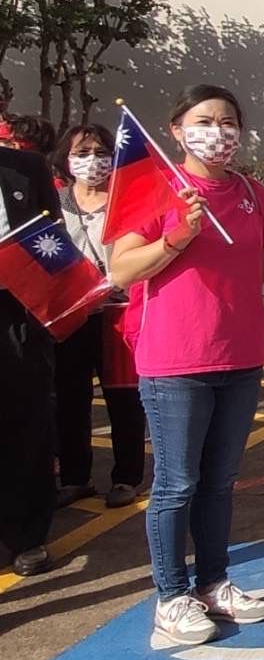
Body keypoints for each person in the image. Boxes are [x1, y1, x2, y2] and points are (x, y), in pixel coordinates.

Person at [109, 84, 264, 647]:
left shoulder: (250, 192)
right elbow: (122, 270)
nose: (217, 132)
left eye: (228, 122)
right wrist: (175, 238)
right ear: (176, 130)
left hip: (241, 355)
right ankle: (171, 597)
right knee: (177, 484)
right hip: (175, 360)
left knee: (219, 481)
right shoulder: (155, 189)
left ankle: (213, 583)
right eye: (204, 121)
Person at [51, 124, 145, 512]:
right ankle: (76, 478)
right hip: (71, 315)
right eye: (82, 152)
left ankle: (127, 477)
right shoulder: (53, 203)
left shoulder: (128, 202)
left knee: (124, 398)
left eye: (101, 152)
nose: (92, 160)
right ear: (66, 158)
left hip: (118, 313)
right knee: (70, 399)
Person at [0, 142, 61, 577]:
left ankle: (27, 536)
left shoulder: (27, 168)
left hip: (16, 310)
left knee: (26, 419)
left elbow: (53, 242)